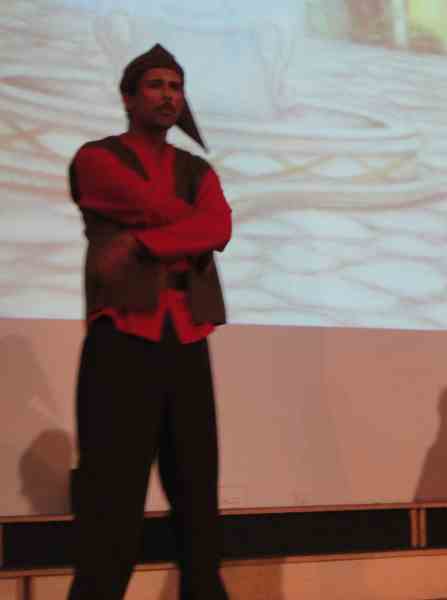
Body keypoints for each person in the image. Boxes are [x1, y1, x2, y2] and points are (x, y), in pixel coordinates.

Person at [67, 44, 232, 600]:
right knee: (110, 505)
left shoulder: (197, 169)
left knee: (198, 504)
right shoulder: (96, 158)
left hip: (186, 340)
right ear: (128, 97)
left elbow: (220, 229)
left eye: (176, 87)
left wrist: (143, 244)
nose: (168, 96)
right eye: (156, 85)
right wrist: (191, 226)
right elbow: (157, 207)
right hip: (122, 342)